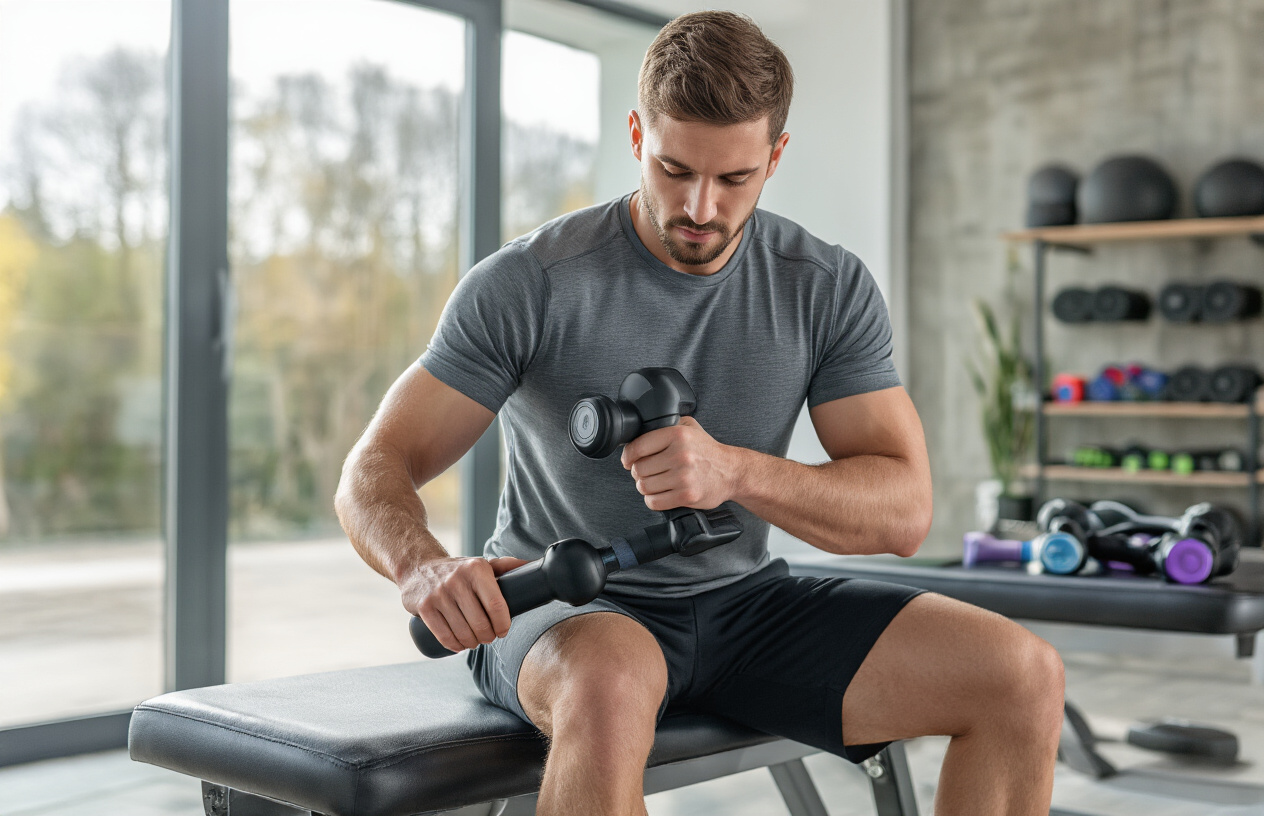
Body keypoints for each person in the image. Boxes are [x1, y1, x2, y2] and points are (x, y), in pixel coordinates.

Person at [335, 11, 1063, 816]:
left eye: (734, 179)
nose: (700, 207)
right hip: (571, 611)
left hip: (748, 605)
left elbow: (903, 511)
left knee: (1020, 675)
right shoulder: (530, 283)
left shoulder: (823, 286)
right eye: (673, 169)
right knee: (609, 686)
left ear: (775, 156)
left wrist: (736, 472)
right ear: (636, 135)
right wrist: (423, 566)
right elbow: (375, 465)